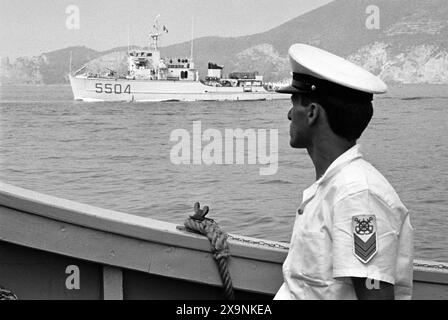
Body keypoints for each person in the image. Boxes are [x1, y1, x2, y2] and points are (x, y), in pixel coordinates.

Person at [273, 44, 414, 300]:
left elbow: (374, 296)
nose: (289, 114)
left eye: (295, 103)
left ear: (313, 113)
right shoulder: (336, 187)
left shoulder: (358, 196)